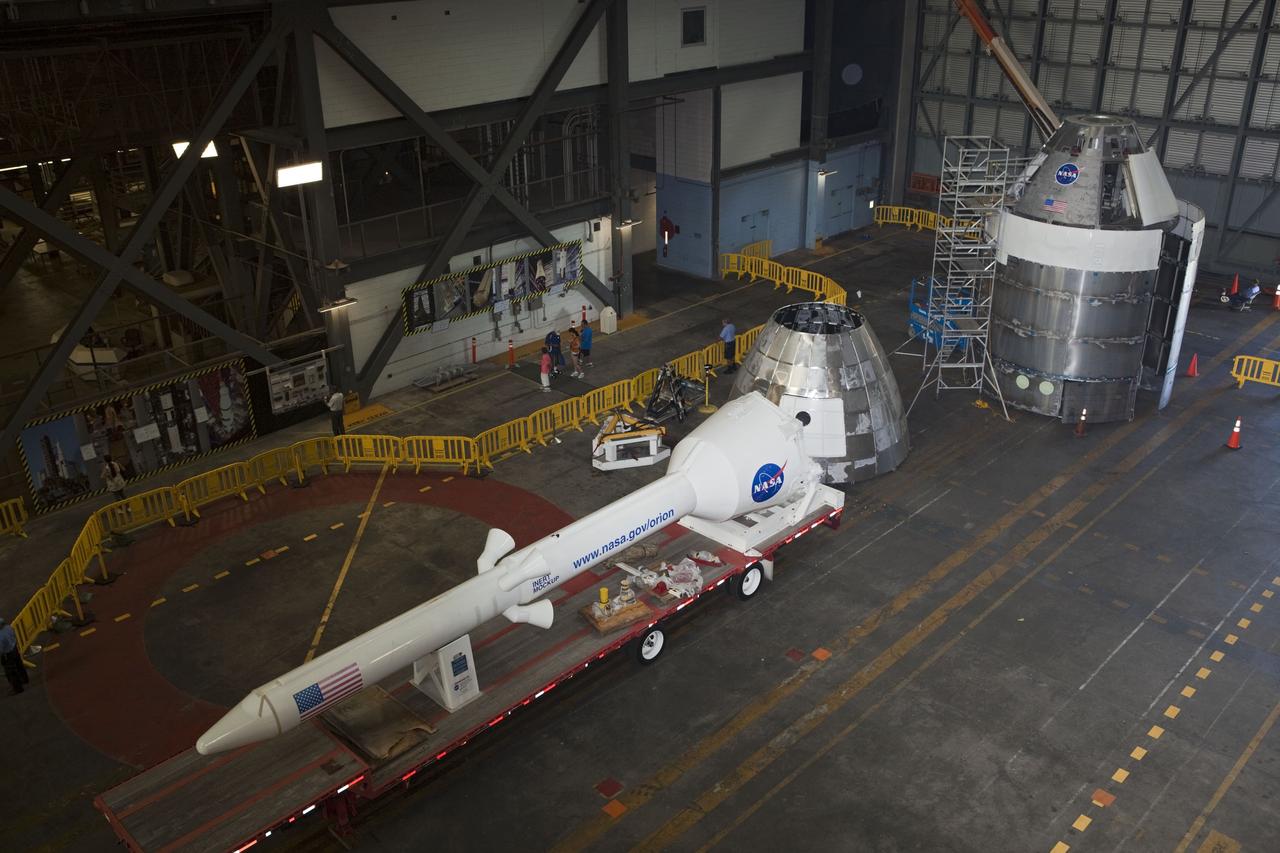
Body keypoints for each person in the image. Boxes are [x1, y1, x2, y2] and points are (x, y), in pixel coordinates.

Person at [0, 617, 28, 695]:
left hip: (7, 654)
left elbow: (1, 649)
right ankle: (25, 679)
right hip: (14, 649)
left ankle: (18, 688)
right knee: (19, 665)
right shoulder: (9, 628)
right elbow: (14, 636)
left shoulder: (0, 636)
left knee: (11, 672)